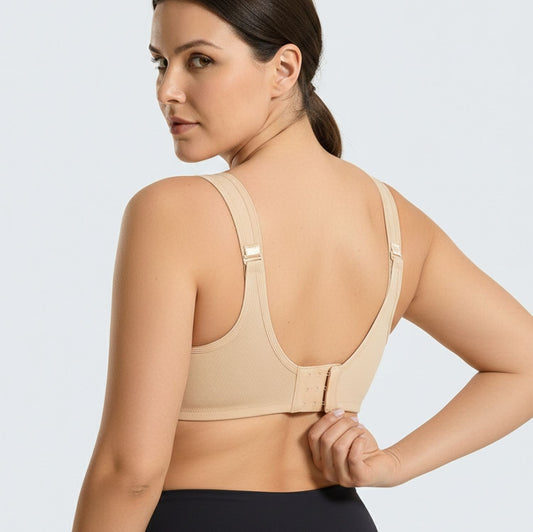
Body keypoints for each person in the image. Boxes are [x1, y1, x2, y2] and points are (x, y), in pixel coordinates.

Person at [71, 1, 533, 530]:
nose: (167, 90)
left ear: (284, 69)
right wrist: (392, 466)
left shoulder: (173, 213)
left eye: (199, 60)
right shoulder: (396, 224)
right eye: (161, 63)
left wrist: (394, 464)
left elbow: (130, 472)